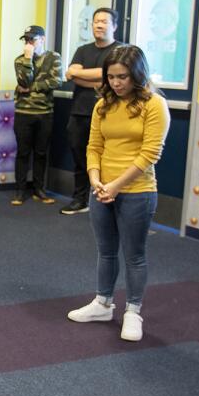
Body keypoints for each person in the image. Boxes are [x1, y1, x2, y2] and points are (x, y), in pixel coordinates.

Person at [67, 45, 169, 343]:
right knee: (105, 250)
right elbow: (94, 147)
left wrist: (116, 186)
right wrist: (96, 180)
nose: (116, 83)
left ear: (137, 75)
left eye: (122, 76)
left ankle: (133, 311)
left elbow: (150, 153)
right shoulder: (103, 105)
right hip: (102, 190)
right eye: (111, 77)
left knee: (134, 255)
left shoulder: (154, 104)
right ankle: (102, 304)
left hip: (137, 191)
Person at [61, 7, 121, 215]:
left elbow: (108, 76)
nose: (98, 25)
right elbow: (70, 74)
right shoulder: (82, 50)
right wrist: (98, 77)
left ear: (114, 26)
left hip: (109, 114)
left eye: (104, 21)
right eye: (96, 21)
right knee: (80, 157)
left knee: (107, 159)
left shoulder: (120, 51)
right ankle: (80, 200)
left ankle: (106, 199)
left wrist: (88, 75)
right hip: (79, 111)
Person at [11, 24, 61, 205]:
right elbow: (23, 80)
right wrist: (27, 58)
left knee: (41, 153)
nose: (29, 43)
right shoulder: (20, 60)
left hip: (45, 112)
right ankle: (20, 190)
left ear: (43, 39)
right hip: (23, 112)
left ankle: (39, 189)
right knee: (23, 153)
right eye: (26, 39)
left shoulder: (53, 57)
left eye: (32, 39)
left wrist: (30, 88)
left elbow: (56, 81)